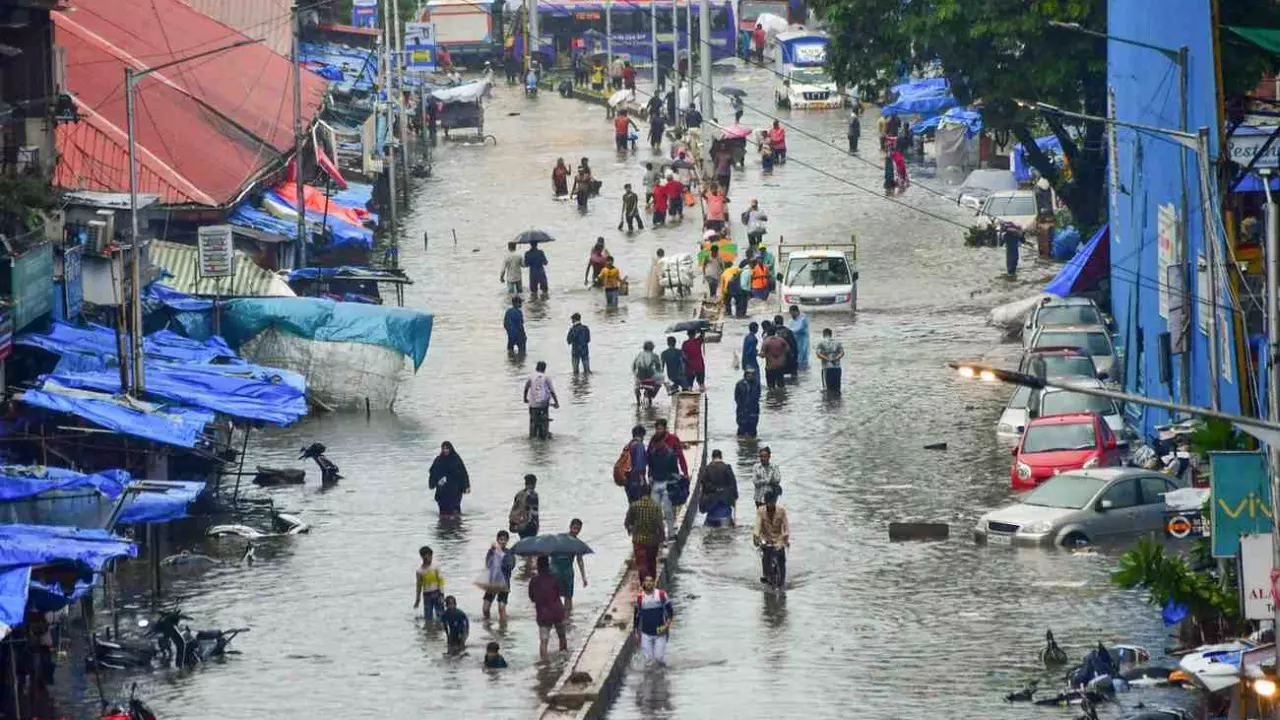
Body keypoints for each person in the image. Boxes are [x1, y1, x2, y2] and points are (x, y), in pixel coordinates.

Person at [529, 556, 568, 661]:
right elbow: (562, 592)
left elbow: (532, 597)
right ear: (548, 566)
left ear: (538, 566)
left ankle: (544, 665)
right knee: (562, 637)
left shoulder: (534, 581)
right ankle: (563, 661)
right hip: (557, 612)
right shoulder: (555, 578)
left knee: (544, 642)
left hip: (543, 614)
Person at [625, 484, 666, 581]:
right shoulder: (656, 507)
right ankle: (652, 584)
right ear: (650, 493)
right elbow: (660, 525)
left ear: (641, 493)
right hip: (652, 541)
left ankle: (644, 585)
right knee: (651, 563)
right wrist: (662, 538)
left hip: (638, 541)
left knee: (642, 564)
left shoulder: (634, 506)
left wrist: (630, 530)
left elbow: (627, 522)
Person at [633, 574, 675, 663]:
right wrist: (636, 633)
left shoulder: (661, 595)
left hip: (660, 633)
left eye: (650, 581)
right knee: (648, 660)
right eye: (646, 581)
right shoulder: (640, 598)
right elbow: (636, 616)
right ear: (643, 583)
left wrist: (666, 626)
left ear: (654, 583)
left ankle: (663, 673)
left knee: (659, 658)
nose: (648, 583)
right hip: (646, 634)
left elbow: (670, 614)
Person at [551, 518, 589, 613]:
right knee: (555, 595)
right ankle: (557, 615)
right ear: (570, 527)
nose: (576, 531)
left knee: (568, 596)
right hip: (555, 569)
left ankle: (568, 617)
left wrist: (584, 577)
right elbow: (550, 552)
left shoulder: (578, 544)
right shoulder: (559, 539)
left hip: (568, 571)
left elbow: (580, 560)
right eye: (574, 528)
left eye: (578, 529)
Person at [752, 491, 789, 585]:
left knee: (781, 561)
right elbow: (757, 527)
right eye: (768, 502)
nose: (770, 504)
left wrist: (784, 539)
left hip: (779, 540)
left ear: (775, 501)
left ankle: (782, 581)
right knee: (766, 556)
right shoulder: (760, 511)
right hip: (766, 539)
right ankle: (766, 575)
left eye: (772, 502)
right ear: (765, 502)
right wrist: (756, 537)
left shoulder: (782, 511)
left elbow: (786, 528)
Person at [428, 441, 471, 517]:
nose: (445, 450)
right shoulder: (438, 460)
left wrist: (467, 486)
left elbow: (463, 473)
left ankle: (456, 526)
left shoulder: (456, 459)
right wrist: (433, 483)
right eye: (444, 448)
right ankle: (443, 526)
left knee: (455, 512)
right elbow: (433, 472)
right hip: (442, 490)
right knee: (443, 514)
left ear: (450, 449)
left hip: (455, 490)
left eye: (447, 448)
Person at [699, 448, 739, 526]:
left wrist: (714, 489)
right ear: (721, 457)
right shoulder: (727, 467)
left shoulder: (707, 468)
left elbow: (703, 484)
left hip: (712, 504)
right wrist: (734, 496)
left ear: (712, 457)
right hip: (725, 503)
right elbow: (733, 484)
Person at [481, 530, 514, 621]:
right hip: (492, 583)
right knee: (485, 609)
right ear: (497, 540)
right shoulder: (491, 552)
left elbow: (510, 566)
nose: (502, 541)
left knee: (501, 608)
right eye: (500, 539)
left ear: (507, 541)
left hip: (504, 584)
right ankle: (487, 624)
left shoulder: (509, 553)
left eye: (504, 540)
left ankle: (503, 629)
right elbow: (488, 564)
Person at [523, 361, 559, 435]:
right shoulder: (547, 378)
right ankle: (545, 431)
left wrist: (525, 399)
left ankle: (532, 434)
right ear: (544, 369)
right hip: (543, 404)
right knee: (545, 418)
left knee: (532, 420)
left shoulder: (531, 377)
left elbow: (526, 389)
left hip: (533, 404)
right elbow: (552, 391)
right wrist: (556, 402)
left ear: (536, 368)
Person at [414, 545, 445, 621]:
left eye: (430, 556)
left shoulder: (436, 567)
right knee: (428, 617)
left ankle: (439, 628)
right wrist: (417, 599)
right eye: (427, 556)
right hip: (427, 595)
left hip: (437, 593)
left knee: (441, 615)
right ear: (422, 556)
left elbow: (440, 581)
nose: (429, 558)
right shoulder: (419, 571)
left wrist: (442, 594)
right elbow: (419, 585)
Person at [622, 424, 649, 502]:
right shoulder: (639, 445)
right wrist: (642, 480)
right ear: (641, 435)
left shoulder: (628, 446)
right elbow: (639, 464)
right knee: (641, 503)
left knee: (632, 505)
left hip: (628, 480)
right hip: (637, 479)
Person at [760, 324, 789, 389]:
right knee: (781, 385)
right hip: (780, 365)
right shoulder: (781, 340)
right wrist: (782, 355)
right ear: (775, 332)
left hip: (770, 366)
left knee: (771, 387)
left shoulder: (766, 342)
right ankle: (781, 397)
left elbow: (762, 355)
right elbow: (787, 350)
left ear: (767, 333)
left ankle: (772, 397)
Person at [735, 367, 761, 437]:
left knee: (752, 430)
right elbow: (737, 397)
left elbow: (757, 396)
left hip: (753, 410)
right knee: (742, 429)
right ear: (745, 375)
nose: (750, 376)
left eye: (752, 375)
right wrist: (741, 407)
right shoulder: (739, 384)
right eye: (748, 374)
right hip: (742, 410)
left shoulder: (756, 384)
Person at [773, 314, 799, 379]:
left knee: (778, 380)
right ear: (782, 321)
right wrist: (795, 357)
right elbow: (794, 346)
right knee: (794, 379)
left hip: (776, 360)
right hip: (789, 359)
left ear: (775, 322)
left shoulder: (772, 332)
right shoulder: (789, 332)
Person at [785, 305, 811, 370]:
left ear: (796, 311)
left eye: (792, 313)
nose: (791, 315)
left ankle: (803, 372)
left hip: (803, 341)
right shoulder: (791, 320)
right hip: (795, 341)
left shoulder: (803, 318)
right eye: (790, 313)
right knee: (796, 357)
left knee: (802, 357)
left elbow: (798, 328)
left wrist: (788, 331)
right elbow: (788, 329)